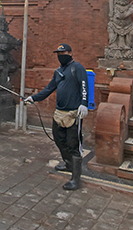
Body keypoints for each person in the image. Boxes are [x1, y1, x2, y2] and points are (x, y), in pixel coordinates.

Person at [25, 43, 88, 190]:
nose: (61, 56)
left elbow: (84, 86)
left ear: (70, 53)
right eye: (58, 54)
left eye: (63, 52)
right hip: (59, 113)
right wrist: (33, 98)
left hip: (74, 113)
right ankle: (68, 164)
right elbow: (48, 89)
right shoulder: (58, 72)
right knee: (59, 140)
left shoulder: (77, 68)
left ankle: (76, 179)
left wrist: (84, 103)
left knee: (74, 145)